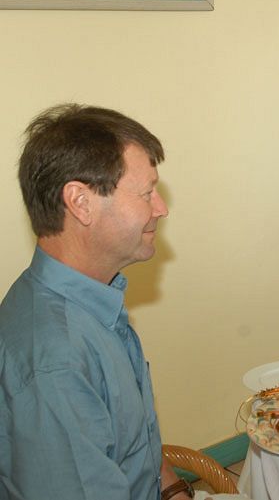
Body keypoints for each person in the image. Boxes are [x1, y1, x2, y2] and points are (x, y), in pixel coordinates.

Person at [0, 105, 194, 500]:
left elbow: (136, 445)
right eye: (145, 193)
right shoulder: (55, 358)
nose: (161, 208)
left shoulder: (92, 301)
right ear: (80, 202)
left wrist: (176, 491)